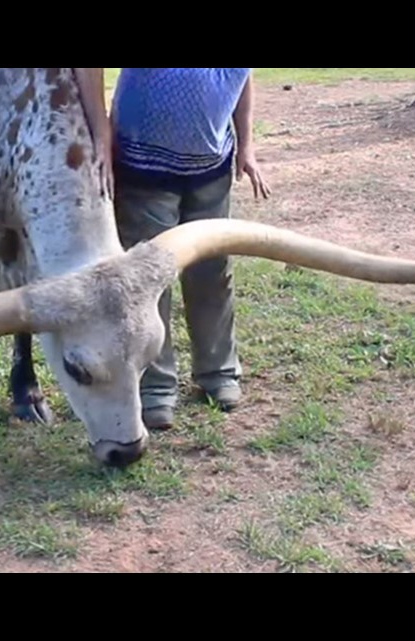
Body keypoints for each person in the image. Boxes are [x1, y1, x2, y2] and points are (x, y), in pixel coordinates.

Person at [109, 68, 270, 429]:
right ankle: (154, 388)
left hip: (211, 168)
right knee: (148, 280)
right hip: (143, 169)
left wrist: (246, 146)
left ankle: (219, 373)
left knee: (212, 273)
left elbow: (241, 79)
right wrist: (103, 139)